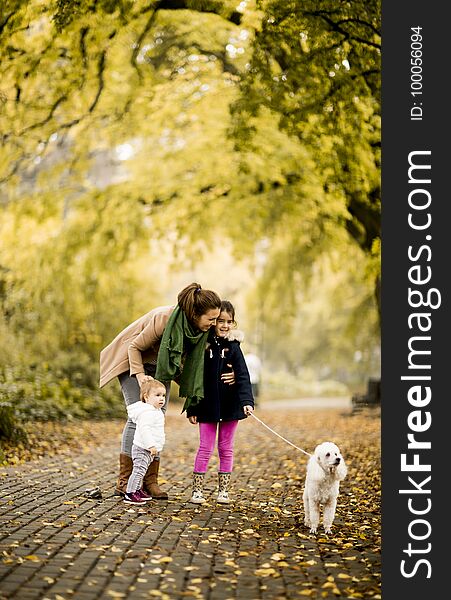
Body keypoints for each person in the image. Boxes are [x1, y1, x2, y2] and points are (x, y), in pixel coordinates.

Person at [99, 282, 222, 500]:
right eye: (211, 319)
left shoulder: (197, 331)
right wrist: (140, 377)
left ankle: (149, 481)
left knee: (157, 416)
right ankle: (125, 480)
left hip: (159, 367)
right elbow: (134, 347)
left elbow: (181, 365)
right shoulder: (166, 319)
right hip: (133, 362)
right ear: (195, 313)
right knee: (139, 416)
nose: (213, 324)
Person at [186, 300, 254, 505]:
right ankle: (197, 491)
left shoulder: (234, 348)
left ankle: (223, 491)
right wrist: (192, 407)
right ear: (214, 321)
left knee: (226, 447)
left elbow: (243, 376)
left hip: (230, 406)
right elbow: (194, 377)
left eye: (229, 321)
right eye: (221, 321)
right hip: (207, 406)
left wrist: (247, 401)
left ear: (234, 323)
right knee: (205, 447)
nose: (225, 325)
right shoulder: (202, 345)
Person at [124, 378, 166, 505]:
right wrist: (151, 445)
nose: (162, 398)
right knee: (138, 470)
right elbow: (144, 429)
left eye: (163, 395)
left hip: (147, 449)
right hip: (143, 448)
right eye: (157, 395)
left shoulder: (155, 411)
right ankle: (130, 493)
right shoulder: (147, 413)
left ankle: (137, 490)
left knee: (142, 470)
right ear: (146, 397)